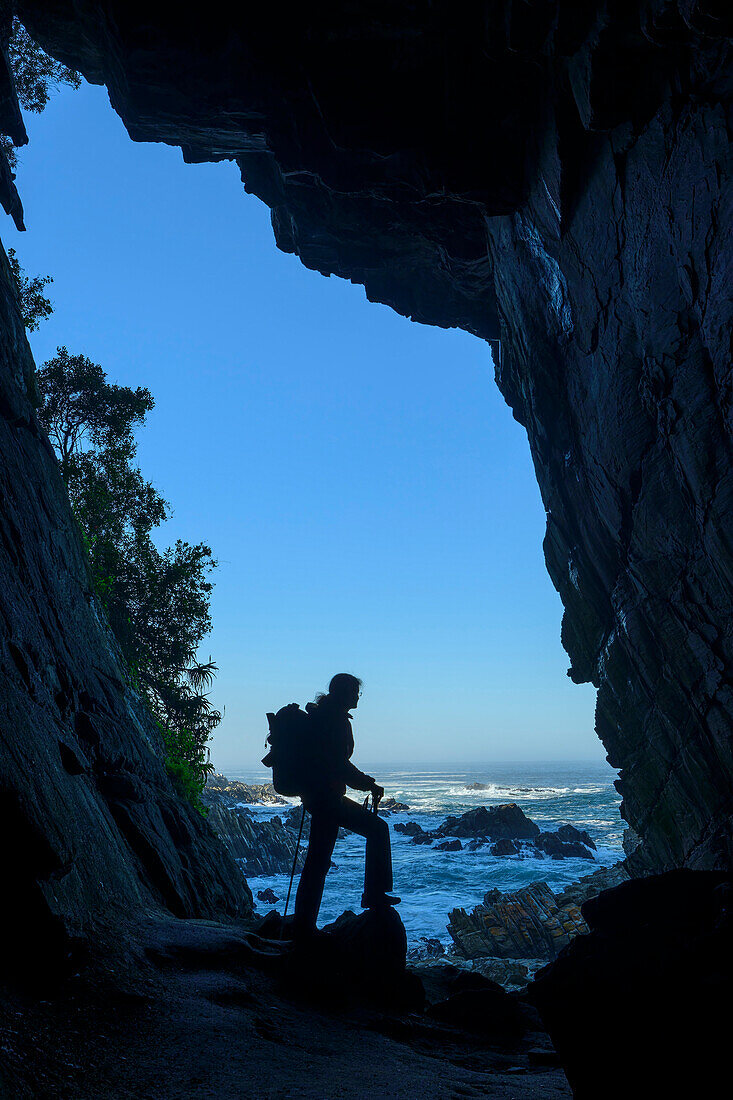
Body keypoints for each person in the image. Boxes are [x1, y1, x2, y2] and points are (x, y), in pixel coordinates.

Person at [293, 673, 399, 936]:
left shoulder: (322, 715)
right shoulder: (335, 720)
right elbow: (339, 765)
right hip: (327, 799)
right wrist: (369, 784)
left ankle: (303, 925)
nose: (357, 697)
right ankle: (374, 895)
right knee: (377, 829)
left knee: (318, 861)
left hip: (319, 797)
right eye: (355, 692)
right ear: (344, 693)